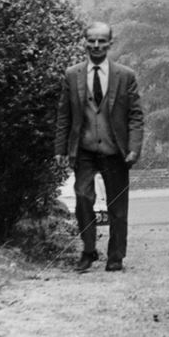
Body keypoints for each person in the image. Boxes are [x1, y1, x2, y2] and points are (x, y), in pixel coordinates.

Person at [55, 21, 143, 272]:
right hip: (83, 149)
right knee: (83, 197)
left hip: (115, 150)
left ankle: (115, 256)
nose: (96, 45)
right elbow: (64, 115)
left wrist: (134, 147)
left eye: (101, 41)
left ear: (110, 44)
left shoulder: (125, 76)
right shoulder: (72, 75)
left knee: (117, 206)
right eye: (91, 40)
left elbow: (136, 116)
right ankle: (89, 249)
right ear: (84, 42)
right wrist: (60, 149)